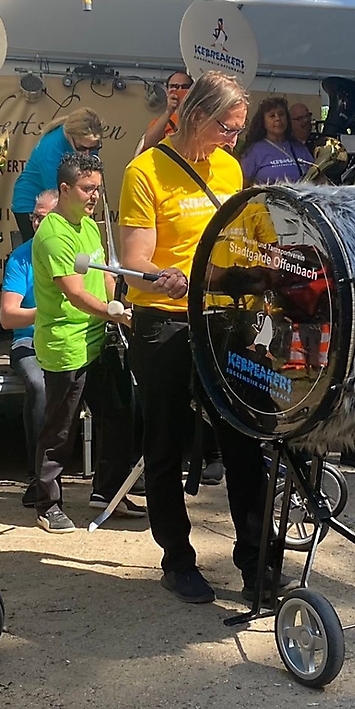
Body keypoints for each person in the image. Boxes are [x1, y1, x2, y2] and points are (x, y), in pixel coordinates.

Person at [119, 70, 270, 604]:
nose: (234, 138)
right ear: (197, 115)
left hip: (223, 319)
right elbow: (135, 260)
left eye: (239, 128)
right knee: (165, 442)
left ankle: (257, 563)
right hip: (165, 321)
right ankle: (177, 561)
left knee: (244, 440)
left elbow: (248, 239)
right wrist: (164, 275)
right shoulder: (144, 170)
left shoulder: (230, 167)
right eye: (228, 127)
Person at [32, 152, 144, 532]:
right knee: (60, 431)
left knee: (119, 415)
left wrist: (121, 305)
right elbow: (76, 294)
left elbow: (106, 276)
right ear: (65, 189)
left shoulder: (89, 225)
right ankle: (47, 504)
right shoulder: (53, 235)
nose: (94, 195)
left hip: (98, 339)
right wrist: (115, 313)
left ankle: (108, 492)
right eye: (86, 188)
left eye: (97, 188)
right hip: (66, 346)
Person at [0, 189, 58, 507]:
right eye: (35, 217)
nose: (36, 223)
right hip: (29, 341)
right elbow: (8, 316)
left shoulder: (78, 250)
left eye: (44, 217)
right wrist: (47, 312)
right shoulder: (21, 257)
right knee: (39, 384)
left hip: (71, 338)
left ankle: (113, 479)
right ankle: (38, 476)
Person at [12, 109, 104, 241]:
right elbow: (57, 194)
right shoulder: (51, 148)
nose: (87, 154)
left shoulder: (85, 144)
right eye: (82, 148)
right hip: (31, 203)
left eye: (94, 148)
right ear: (70, 136)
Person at [239, 97, 313, 186]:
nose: (278, 119)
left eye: (281, 114)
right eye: (272, 116)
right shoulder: (253, 152)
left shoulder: (300, 148)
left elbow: (316, 177)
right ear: (263, 122)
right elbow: (242, 184)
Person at [135, 71, 193, 155]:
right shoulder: (162, 121)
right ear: (167, 91)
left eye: (185, 87)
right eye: (174, 86)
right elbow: (149, 144)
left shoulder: (200, 119)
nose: (179, 90)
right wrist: (169, 111)